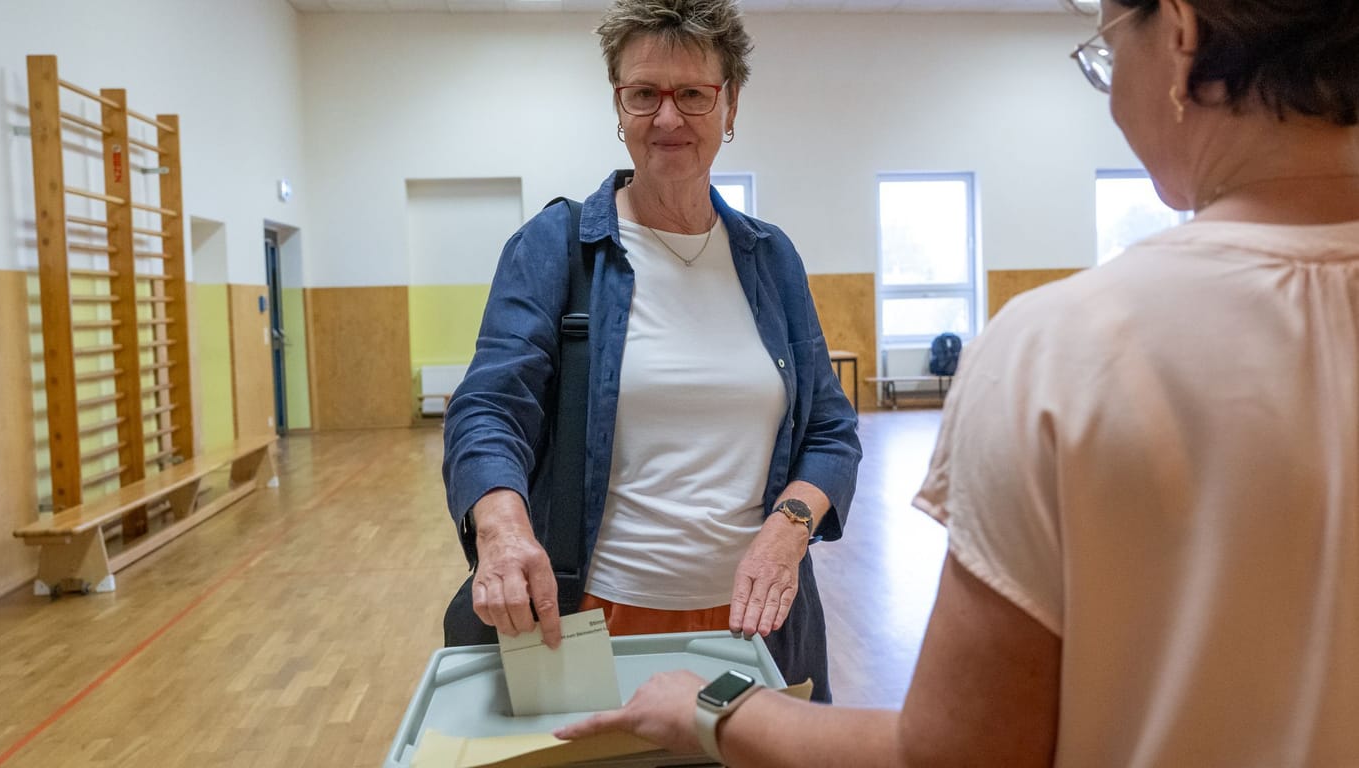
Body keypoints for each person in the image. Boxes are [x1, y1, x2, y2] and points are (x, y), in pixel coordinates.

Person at [557, 0, 1359, 763]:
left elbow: (960, 751)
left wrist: (715, 710)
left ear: (1179, 36)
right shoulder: (563, 246)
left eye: (1107, 49)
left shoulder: (1063, 353)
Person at [441, 0, 860, 702]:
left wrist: (791, 529)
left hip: (758, 623)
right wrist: (503, 526)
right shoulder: (556, 248)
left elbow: (830, 431)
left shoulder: (771, 258)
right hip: (591, 619)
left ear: (731, 105)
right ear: (619, 105)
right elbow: (488, 409)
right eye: (644, 94)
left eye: (693, 95)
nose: (667, 119)